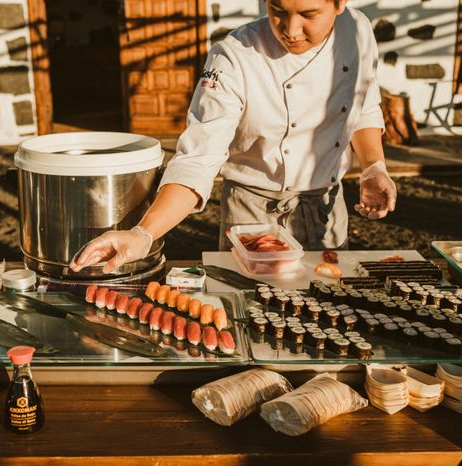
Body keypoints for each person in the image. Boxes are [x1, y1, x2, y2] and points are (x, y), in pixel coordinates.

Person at [70, 0, 396, 274]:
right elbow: (199, 156)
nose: (291, 30)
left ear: (340, 4)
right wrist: (143, 233)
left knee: (330, 305)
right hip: (254, 212)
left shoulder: (357, 30)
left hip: (327, 205)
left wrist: (373, 167)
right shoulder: (235, 55)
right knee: (253, 313)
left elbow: (363, 103)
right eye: (277, 10)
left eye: (309, 15)